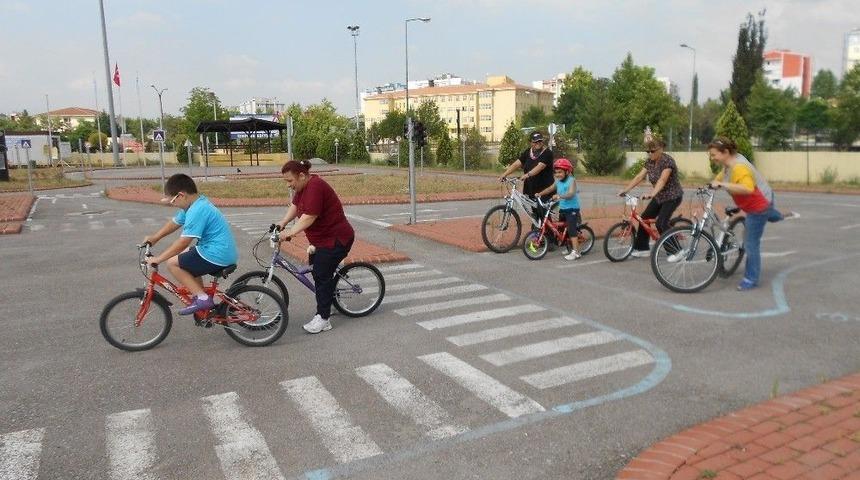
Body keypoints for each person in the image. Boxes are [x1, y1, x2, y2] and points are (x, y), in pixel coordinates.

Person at [274, 159, 355, 333]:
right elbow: (295, 207)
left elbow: (309, 216)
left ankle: (324, 318)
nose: (288, 185)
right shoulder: (302, 188)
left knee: (321, 274)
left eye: (290, 181)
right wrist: (282, 223)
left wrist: (290, 232)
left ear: (302, 176)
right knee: (319, 271)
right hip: (321, 241)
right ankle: (332, 299)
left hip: (337, 239)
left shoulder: (316, 187)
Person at [143, 173, 238, 315]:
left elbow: (183, 242)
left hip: (217, 253)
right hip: (216, 250)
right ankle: (201, 300)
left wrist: (158, 259)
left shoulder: (197, 210)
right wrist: (155, 238)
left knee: (172, 264)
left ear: (181, 195)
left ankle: (202, 298)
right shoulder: (194, 204)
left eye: (172, 201)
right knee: (184, 257)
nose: (172, 204)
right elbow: (175, 222)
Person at [707, 136, 783, 291]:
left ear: (726, 152)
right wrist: (714, 182)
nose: (712, 157)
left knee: (750, 243)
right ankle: (776, 215)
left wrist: (721, 184)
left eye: (714, 154)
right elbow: (723, 176)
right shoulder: (729, 163)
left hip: (759, 206)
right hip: (753, 205)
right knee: (771, 215)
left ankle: (751, 278)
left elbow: (747, 188)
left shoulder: (739, 167)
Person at [618, 138, 685, 258]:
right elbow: (639, 177)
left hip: (672, 196)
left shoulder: (667, 161)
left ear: (661, 149)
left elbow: (663, 179)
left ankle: (677, 251)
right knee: (644, 219)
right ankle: (642, 248)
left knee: (661, 223)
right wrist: (626, 190)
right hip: (660, 196)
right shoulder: (649, 162)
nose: (649, 154)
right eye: (647, 151)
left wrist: (652, 193)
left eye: (652, 151)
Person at [499, 131, 555, 221]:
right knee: (536, 214)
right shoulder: (528, 152)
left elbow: (540, 167)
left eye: (540, 141)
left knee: (544, 215)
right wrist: (504, 174)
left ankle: (549, 233)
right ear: (531, 142)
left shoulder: (547, 153)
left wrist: (527, 175)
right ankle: (538, 232)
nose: (538, 143)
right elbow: (516, 164)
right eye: (535, 141)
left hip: (545, 190)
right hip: (532, 189)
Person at [536, 158, 582, 261]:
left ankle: (576, 252)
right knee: (562, 230)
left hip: (572, 209)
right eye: (556, 172)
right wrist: (540, 194)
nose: (557, 174)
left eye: (560, 172)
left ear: (567, 171)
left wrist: (559, 196)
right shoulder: (558, 182)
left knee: (571, 230)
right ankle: (569, 248)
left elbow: (571, 194)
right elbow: (549, 189)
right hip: (563, 209)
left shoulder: (571, 180)